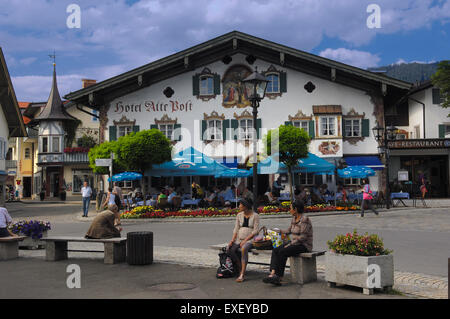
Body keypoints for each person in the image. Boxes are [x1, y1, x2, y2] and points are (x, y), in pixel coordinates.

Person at [263, 200, 312, 286]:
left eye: (290, 208)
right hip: (294, 243)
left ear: (295, 209)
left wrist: (290, 244)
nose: (289, 210)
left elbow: (303, 237)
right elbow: (288, 231)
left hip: (303, 245)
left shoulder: (304, 219)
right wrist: (277, 230)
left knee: (283, 251)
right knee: (276, 250)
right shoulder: (294, 219)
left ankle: (279, 277)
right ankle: (273, 273)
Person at [227, 198, 260, 283]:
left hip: (250, 239)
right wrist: (232, 240)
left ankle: (242, 274)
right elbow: (236, 229)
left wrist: (245, 240)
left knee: (244, 248)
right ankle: (240, 267)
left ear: (246, 206)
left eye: (240, 205)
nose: (239, 207)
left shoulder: (255, 215)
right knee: (230, 249)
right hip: (239, 239)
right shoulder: (239, 215)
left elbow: (256, 231)